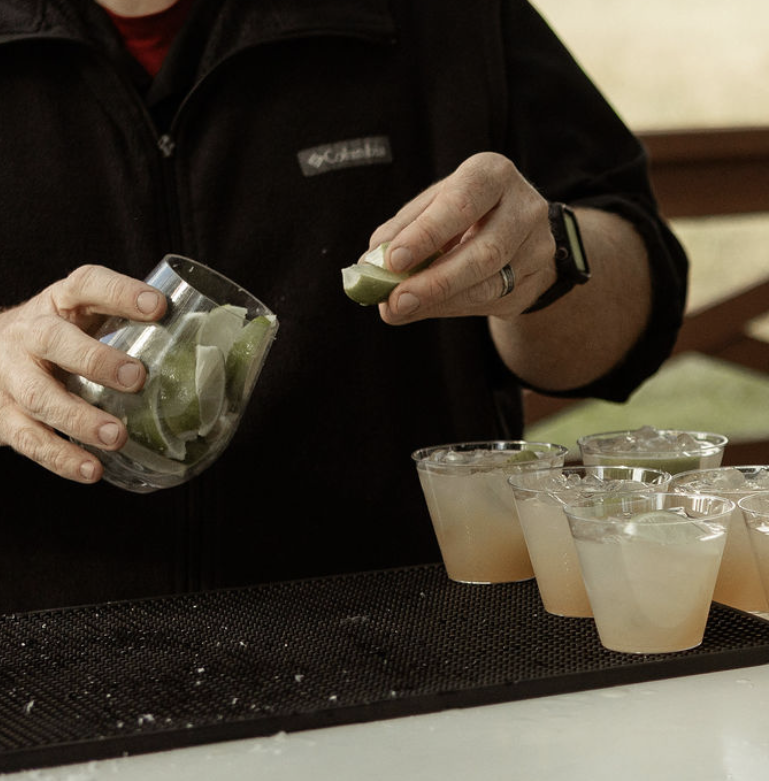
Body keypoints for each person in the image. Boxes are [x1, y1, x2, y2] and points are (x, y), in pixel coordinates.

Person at [0, 0, 689, 612]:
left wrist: (550, 261)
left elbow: (636, 312)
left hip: (416, 635)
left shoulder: (450, 20)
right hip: (43, 666)